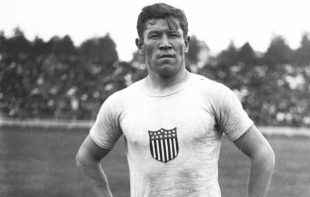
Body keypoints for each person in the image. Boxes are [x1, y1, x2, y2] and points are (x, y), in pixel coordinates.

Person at [76, 3, 275, 197]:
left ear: (186, 43)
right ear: (140, 45)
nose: (165, 44)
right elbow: (86, 157)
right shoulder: (120, 102)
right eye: (154, 36)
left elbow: (263, 153)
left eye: (173, 35)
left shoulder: (214, 94)